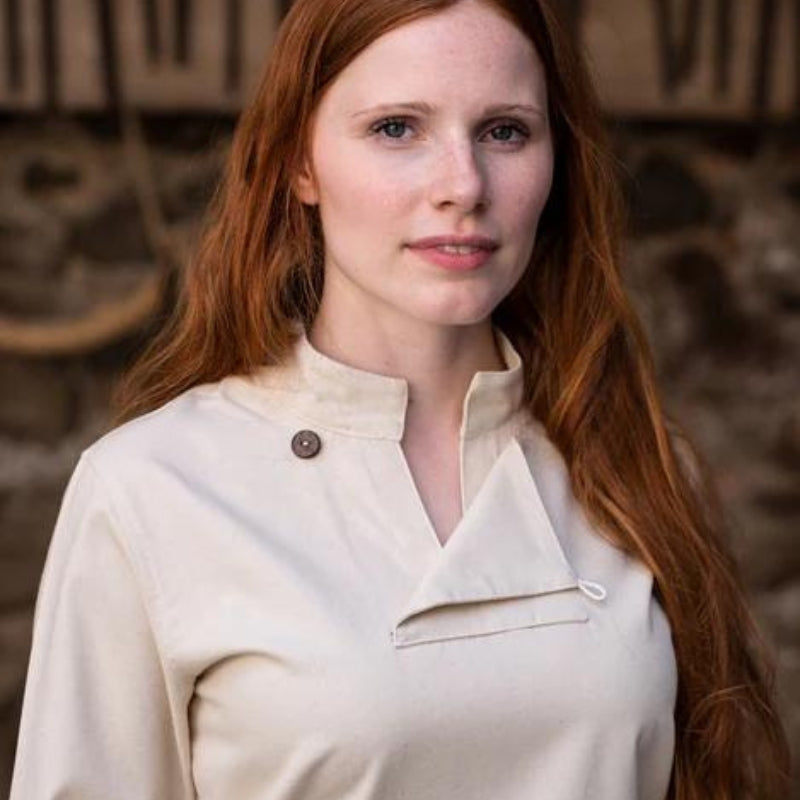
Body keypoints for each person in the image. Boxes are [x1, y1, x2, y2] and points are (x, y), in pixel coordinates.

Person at [9, 0, 791, 798]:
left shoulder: (639, 466)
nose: (463, 185)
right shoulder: (152, 488)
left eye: (505, 131)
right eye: (396, 128)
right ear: (299, 163)